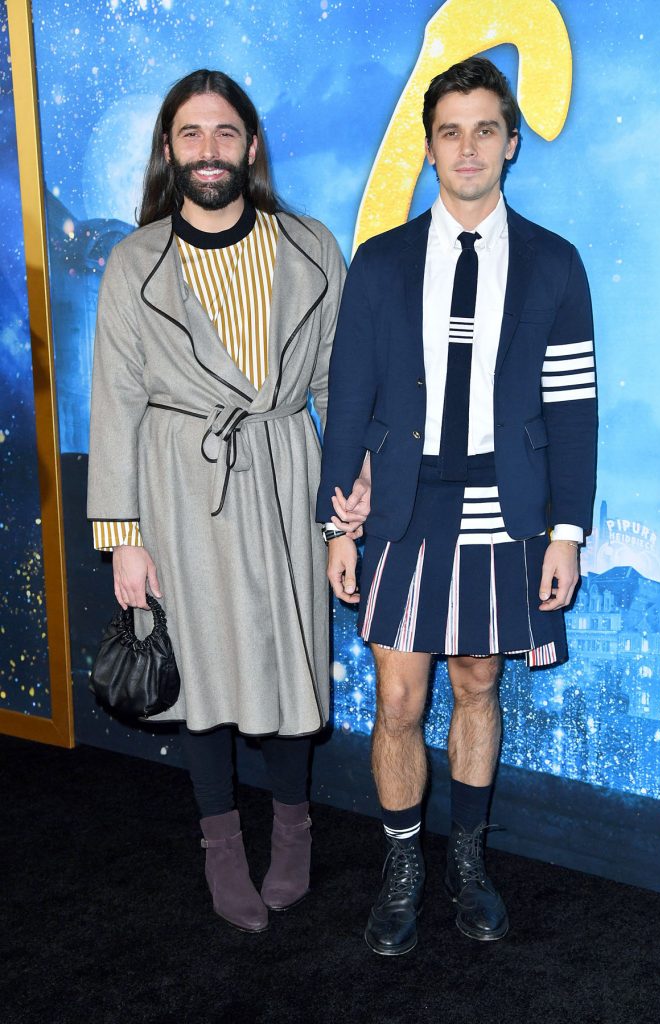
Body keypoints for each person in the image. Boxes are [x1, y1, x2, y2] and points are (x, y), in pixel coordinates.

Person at [317, 56, 597, 954]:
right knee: (398, 698)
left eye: (485, 129)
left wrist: (566, 532)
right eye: (450, 131)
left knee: (478, 680)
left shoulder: (554, 264)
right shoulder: (381, 262)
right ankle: (403, 864)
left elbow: (572, 407)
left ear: (510, 143)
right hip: (403, 507)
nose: (467, 147)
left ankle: (467, 862)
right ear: (430, 148)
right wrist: (336, 523)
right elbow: (349, 398)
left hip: (505, 510)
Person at [87, 69, 347, 933]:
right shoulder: (135, 261)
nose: (208, 149)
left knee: (285, 655)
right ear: (168, 149)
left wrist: (347, 495)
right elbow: (116, 400)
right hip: (176, 480)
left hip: (283, 469)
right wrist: (123, 536)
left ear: (251, 145)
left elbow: (335, 382)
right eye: (191, 133)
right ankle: (221, 846)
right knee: (195, 664)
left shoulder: (310, 247)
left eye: (224, 132)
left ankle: (293, 831)